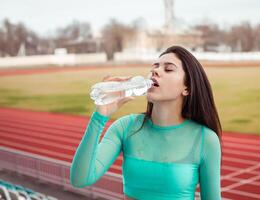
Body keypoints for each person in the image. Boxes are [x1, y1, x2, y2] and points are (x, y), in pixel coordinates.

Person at [70, 45, 222, 200]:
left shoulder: (206, 139)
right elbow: (80, 179)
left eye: (168, 69)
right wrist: (100, 116)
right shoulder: (125, 127)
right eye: (154, 67)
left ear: (187, 88)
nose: (155, 71)